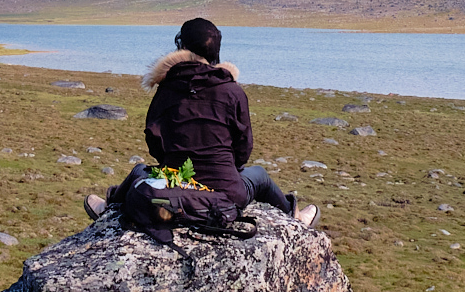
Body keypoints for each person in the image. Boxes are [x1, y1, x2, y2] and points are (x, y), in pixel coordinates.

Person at [83, 17, 317, 228]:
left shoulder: (166, 88)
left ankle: (108, 207)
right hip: (227, 193)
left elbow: (154, 143)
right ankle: (294, 218)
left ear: (181, 46)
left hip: (176, 183)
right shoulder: (232, 90)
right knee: (260, 176)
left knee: (139, 171)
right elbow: (243, 150)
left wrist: (176, 163)